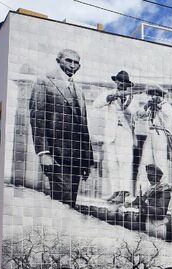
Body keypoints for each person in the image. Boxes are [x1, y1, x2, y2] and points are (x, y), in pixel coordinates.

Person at [29, 48, 94, 207]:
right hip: (56, 156)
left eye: (76, 62)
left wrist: (87, 160)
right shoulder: (44, 82)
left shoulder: (79, 91)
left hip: (77, 159)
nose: (72, 65)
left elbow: (83, 127)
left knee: (70, 203)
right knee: (61, 203)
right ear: (58, 61)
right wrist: (43, 152)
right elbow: (37, 118)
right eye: (68, 61)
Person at [92, 70, 138, 203]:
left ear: (127, 84)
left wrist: (124, 102)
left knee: (124, 163)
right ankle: (116, 191)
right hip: (111, 133)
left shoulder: (131, 97)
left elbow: (134, 114)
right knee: (112, 164)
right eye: (119, 81)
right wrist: (110, 98)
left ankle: (124, 193)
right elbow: (96, 104)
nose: (121, 83)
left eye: (124, 82)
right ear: (116, 82)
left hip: (124, 133)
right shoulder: (108, 93)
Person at [137, 84, 172, 193]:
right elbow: (139, 114)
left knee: (161, 162)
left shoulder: (166, 106)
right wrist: (147, 105)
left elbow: (164, 113)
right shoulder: (150, 106)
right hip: (150, 134)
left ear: (161, 95)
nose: (153, 96)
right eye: (152, 94)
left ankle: (163, 189)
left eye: (156, 94)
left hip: (161, 135)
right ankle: (142, 191)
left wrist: (156, 105)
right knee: (145, 162)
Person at [132, 164, 172, 239]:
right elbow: (137, 202)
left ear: (158, 177)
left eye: (152, 175)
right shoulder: (150, 189)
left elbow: (161, 213)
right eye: (148, 175)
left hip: (158, 226)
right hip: (148, 223)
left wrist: (144, 205)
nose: (150, 177)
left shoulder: (164, 190)